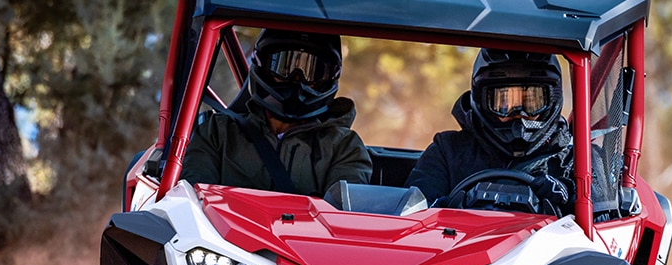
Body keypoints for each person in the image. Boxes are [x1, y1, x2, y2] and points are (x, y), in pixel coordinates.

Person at [182, 29, 372, 196]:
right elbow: (193, 204)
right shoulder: (217, 133)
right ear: (263, 66)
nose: (296, 79)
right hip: (220, 237)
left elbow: (343, 218)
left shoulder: (344, 146)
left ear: (329, 77)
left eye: (312, 70)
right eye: (284, 66)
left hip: (304, 237)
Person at [404, 49, 575, 215]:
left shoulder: (575, 161)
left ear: (552, 98)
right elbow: (411, 217)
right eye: (504, 101)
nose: (519, 113)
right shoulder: (447, 150)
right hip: (461, 243)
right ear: (483, 100)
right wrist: (452, 208)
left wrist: (569, 202)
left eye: (532, 101)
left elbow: (598, 231)